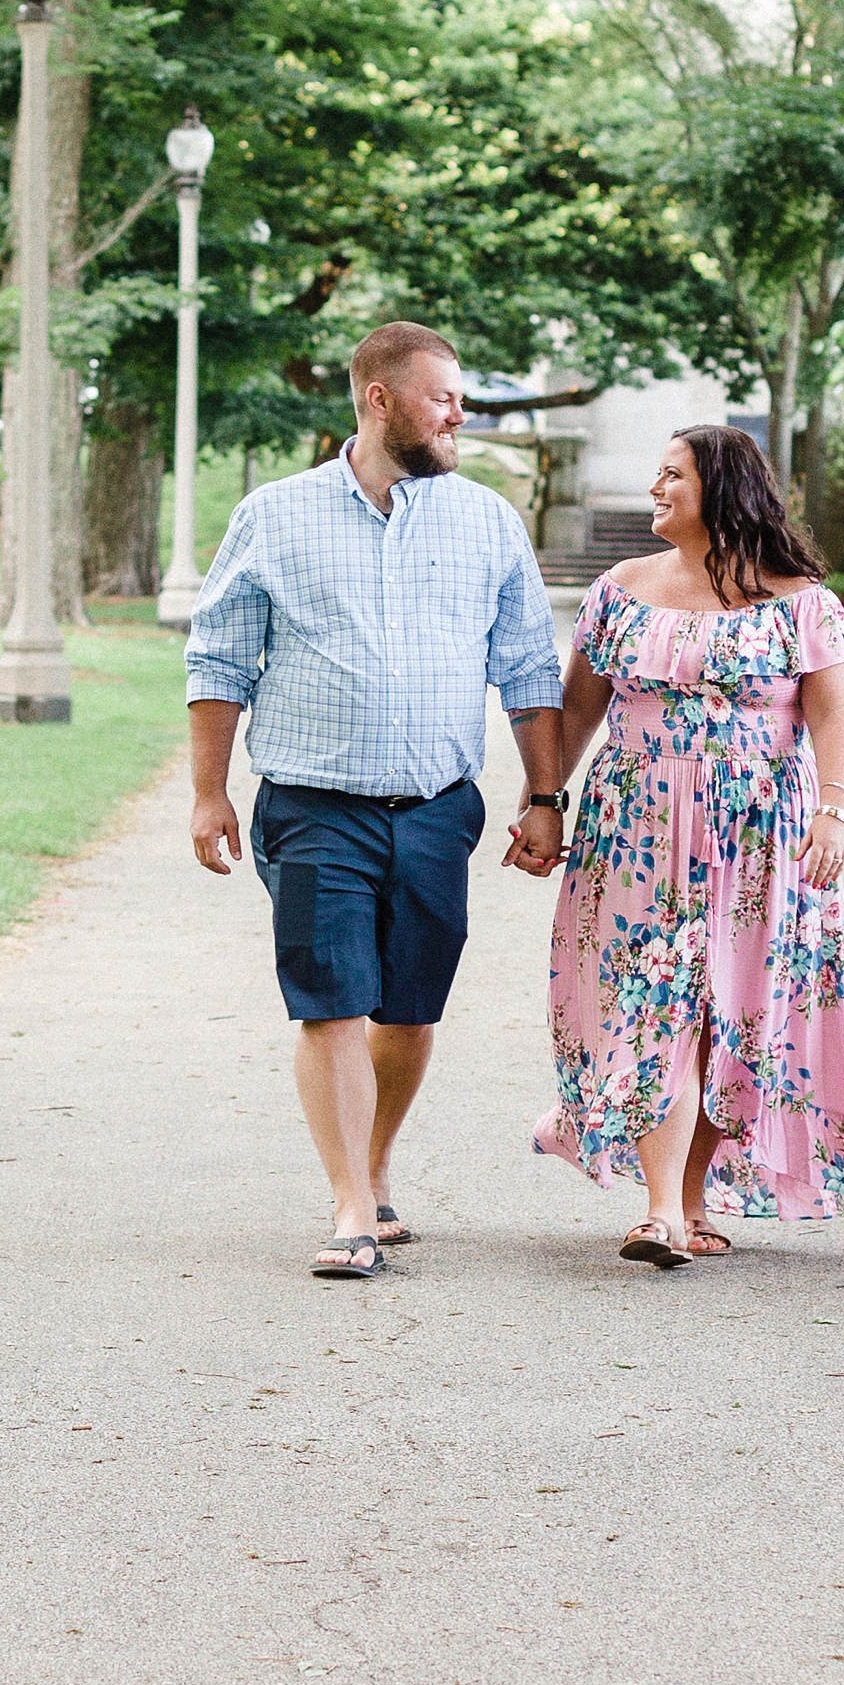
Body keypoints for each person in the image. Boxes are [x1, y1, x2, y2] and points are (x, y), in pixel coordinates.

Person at [186, 321, 568, 1279]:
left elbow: (527, 667)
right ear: (379, 400)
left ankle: (376, 1161)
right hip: (315, 805)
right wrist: (207, 792)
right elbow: (219, 658)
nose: (458, 413)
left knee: (407, 1009)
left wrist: (545, 795)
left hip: (440, 805)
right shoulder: (273, 515)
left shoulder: (487, 521)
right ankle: (351, 1203)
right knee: (335, 1002)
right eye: (443, 397)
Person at [536, 421, 844, 1265]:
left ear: (723, 489)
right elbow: (578, 711)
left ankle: (691, 1200)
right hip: (634, 831)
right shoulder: (619, 590)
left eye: (672, 475)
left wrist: (836, 813)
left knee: (724, 1013)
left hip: (758, 832)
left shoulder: (802, 602)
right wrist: (541, 803)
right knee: (650, 1003)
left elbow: (834, 717)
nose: (655, 489)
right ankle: (661, 1209)